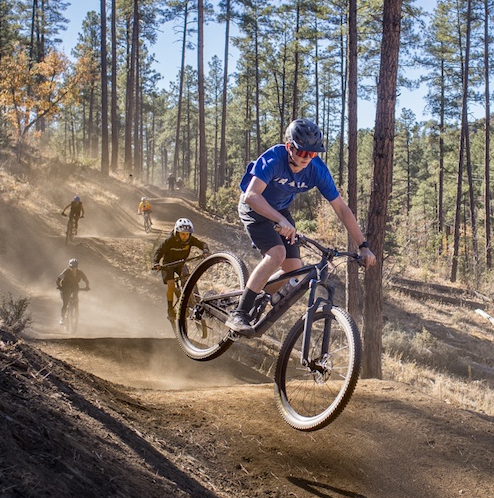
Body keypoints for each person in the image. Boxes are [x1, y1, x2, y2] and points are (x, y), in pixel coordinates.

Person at [226, 118, 375, 335]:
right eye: (302, 152)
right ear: (289, 147)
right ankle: (239, 313)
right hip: (255, 207)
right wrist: (280, 220)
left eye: (312, 154)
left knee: (295, 270)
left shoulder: (317, 171)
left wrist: (363, 245)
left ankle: (256, 293)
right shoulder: (274, 158)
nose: (307, 158)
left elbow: (342, 209)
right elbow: (252, 196)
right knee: (277, 254)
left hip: (280, 212)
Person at [151, 217, 210, 322]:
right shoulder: (170, 241)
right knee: (171, 285)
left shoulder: (190, 240)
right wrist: (156, 263)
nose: (185, 236)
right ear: (177, 232)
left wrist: (205, 250)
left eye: (187, 234)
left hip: (180, 264)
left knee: (189, 280)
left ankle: (193, 301)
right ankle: (170, 308)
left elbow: (202, 244)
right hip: (168, 265)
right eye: (182, 234)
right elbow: (158, 252)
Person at [56, 258, 90, 325]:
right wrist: (60, 287)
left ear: (77, 267)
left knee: (76, 300)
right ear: (69, 266)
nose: (74, 268)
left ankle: (76, 314)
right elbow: (58, 279)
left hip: (75, 287)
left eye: (75, 267)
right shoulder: (66, 272)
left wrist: (87, 286)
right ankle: (62, 318)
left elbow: (86, 280)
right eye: (72, 267)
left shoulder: (80, 272)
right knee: (65, 303)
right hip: (66, 288)